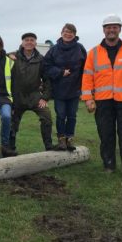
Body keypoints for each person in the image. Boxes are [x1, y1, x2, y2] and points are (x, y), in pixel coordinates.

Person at [81, 15, 122, 181]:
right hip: (103, 101)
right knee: (106, 134)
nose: (111, 30)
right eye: (108, 27)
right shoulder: (93, 53)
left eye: (114, 27)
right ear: (103, 30)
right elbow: (87, 77)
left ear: (120, 29)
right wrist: (88, 98)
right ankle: (109, 165)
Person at [44, 23, 87, 151]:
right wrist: (60, 72)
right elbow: (46, 67)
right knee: (61, 115)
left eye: (71, 32)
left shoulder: (80, 48)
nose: (68, 34)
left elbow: (86, 68)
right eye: (66, 31)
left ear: (74, 34)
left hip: (75, 89)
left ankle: (70, 139)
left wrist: (85, 88)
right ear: (61, 33)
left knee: (72, 115)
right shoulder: (54, 49)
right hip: (59, 89)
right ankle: (61, 139)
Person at [10, 32, 54, 153]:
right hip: (17, 97)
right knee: (12, 122)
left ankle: (48, 145)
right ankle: (10, 148)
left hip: (34, 96)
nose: (29, 42)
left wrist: (44, 98)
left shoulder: (41, 59)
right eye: (26, 40)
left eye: (32, 40)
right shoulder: (13, 57)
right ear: (22, 43)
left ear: (35, 43)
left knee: (46, 117)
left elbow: (47, 80)